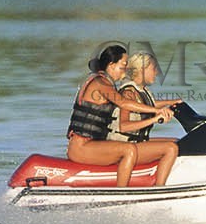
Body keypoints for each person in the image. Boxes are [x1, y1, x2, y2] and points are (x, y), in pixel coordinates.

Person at [67, 44, 183, 186]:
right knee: (128, 150)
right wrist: (156, 112)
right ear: (111, 65)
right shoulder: (100, 83)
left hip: (93, 144)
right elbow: (125, 103)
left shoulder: (105, 83)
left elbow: (137, 102)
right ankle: (121, 192)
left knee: (173, 142)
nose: (126, 70)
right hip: (81, 148)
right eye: (123, 65)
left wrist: (170, 103)